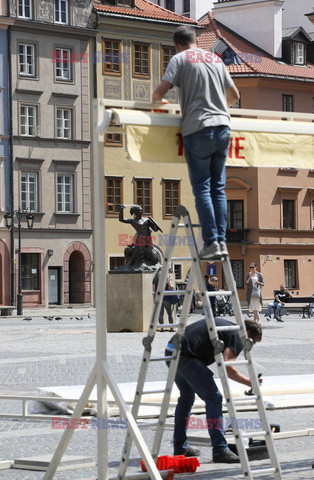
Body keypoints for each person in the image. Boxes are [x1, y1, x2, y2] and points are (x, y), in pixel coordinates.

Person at [152, 26, 239, 261]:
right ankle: (220, 241)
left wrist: (157, 101)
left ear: (176, 44)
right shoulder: (215, 58)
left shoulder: (179, 59)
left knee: (202, 188)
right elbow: (234, 95)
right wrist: (217, 107)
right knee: (218, 189)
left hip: (198, 128)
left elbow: (160, 92)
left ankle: (211, 241)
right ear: (196, 40)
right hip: (223, 127)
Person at [165, 318, 262, 462]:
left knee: (186, 398)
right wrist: (250, 382)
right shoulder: (237, 335)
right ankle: (220, 449)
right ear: (248, 333)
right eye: (252, 342)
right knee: (214, 398)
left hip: (171, 351)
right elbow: (227, 367)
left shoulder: (229, 328)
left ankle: (180, 447)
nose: (250, 346)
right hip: (186, 358)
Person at [119, 205, 162, 271]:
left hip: (147, 240)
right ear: (135, 212)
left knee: (152, 253)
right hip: (140, 240)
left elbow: (155, 229)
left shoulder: (147, 220)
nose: (141, 211)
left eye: (141, 210)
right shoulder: (133, 221)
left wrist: (155, 226)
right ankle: (141, 263)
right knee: (140, 252)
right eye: (139, 210)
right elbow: (121, 219)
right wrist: (121, 210)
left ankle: (155, 263)